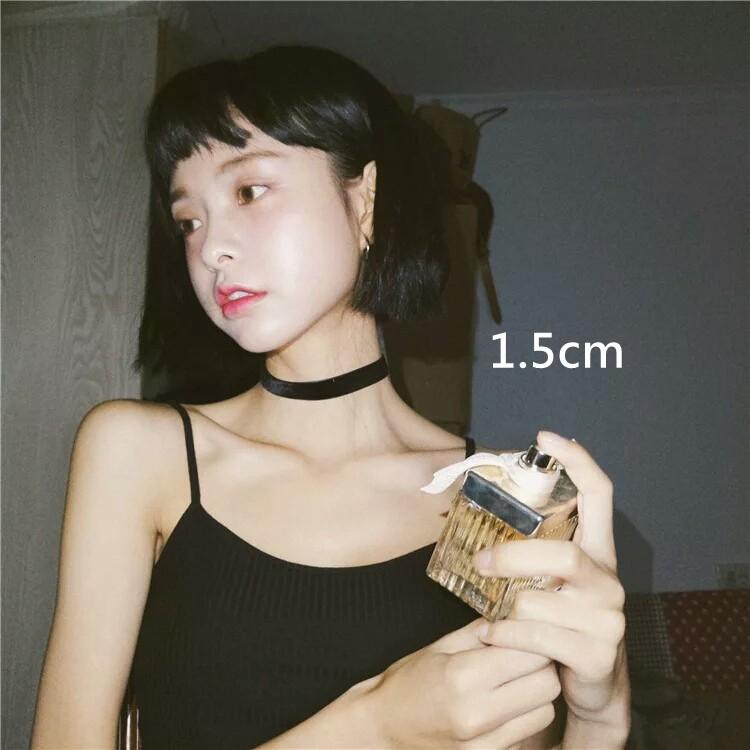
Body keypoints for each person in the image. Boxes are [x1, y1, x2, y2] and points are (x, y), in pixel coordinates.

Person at [30, 45, 630, 749]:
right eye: (189, 220)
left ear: (365, 198)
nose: (211, 248)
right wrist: (376, 724)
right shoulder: (139, 453)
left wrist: (600, 712)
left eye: (248, 192)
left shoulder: (498, 500)